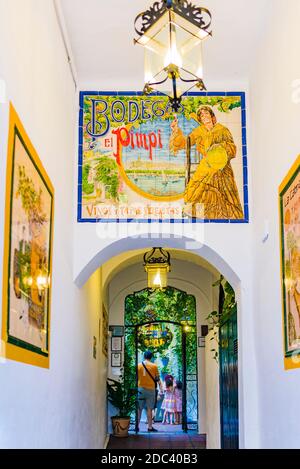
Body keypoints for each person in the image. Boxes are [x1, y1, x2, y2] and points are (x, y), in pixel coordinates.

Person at [169, 105, 244, 220]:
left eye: (206, 114)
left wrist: (219, 147)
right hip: (206, 165)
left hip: (222, 166)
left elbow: (232, 148)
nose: (204, 117)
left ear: (212, 115)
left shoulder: (222, 129)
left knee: (222, 189)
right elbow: (186, 142)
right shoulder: (199, 131)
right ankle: (199, 214)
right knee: (197, 186)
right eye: (201, 115)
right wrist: (176, 130)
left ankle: (221, 216)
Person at [137, 350, 163, 432]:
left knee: (139, 409)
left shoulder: (138, 366)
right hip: (150, 390)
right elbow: (157, 378)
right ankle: (150, 427)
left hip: (140, 389)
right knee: (149, 409)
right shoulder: (154, 366)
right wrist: (161, 388)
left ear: (144, 356)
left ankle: (136, 426)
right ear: (151, 357)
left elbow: (136, 377)